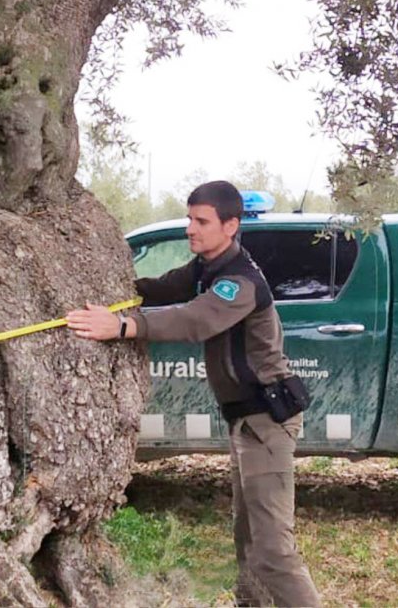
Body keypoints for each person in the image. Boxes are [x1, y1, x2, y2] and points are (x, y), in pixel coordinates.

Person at [67, 181, 322, 608]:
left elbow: (194, 320)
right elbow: (167, 287)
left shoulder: (239, 282)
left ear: (230, 225)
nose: (190, 229)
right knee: (247, 539)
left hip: (266, 421)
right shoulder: (210, 267)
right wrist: (114, 290)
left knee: (273, 551)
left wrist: (125, 327)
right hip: (247, 421)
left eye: (201, 221)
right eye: (189, 219)